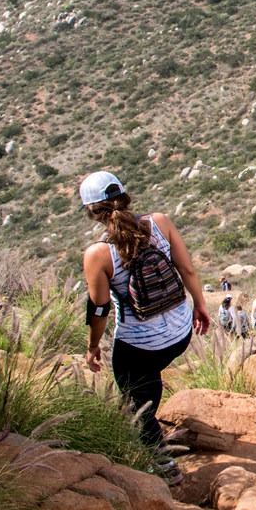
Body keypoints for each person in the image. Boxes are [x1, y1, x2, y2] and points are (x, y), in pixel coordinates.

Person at [80, 170, 209, 485]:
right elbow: (187, 267)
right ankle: (156, 412)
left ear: (90, 212)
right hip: (180, 333)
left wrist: (93, 345)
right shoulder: (160, 223)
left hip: (139, 345)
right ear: (125, 197)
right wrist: (200, 305)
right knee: (148, 380)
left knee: (137, 400)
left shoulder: (98, 254)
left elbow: (99, 308)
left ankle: (164, 467)